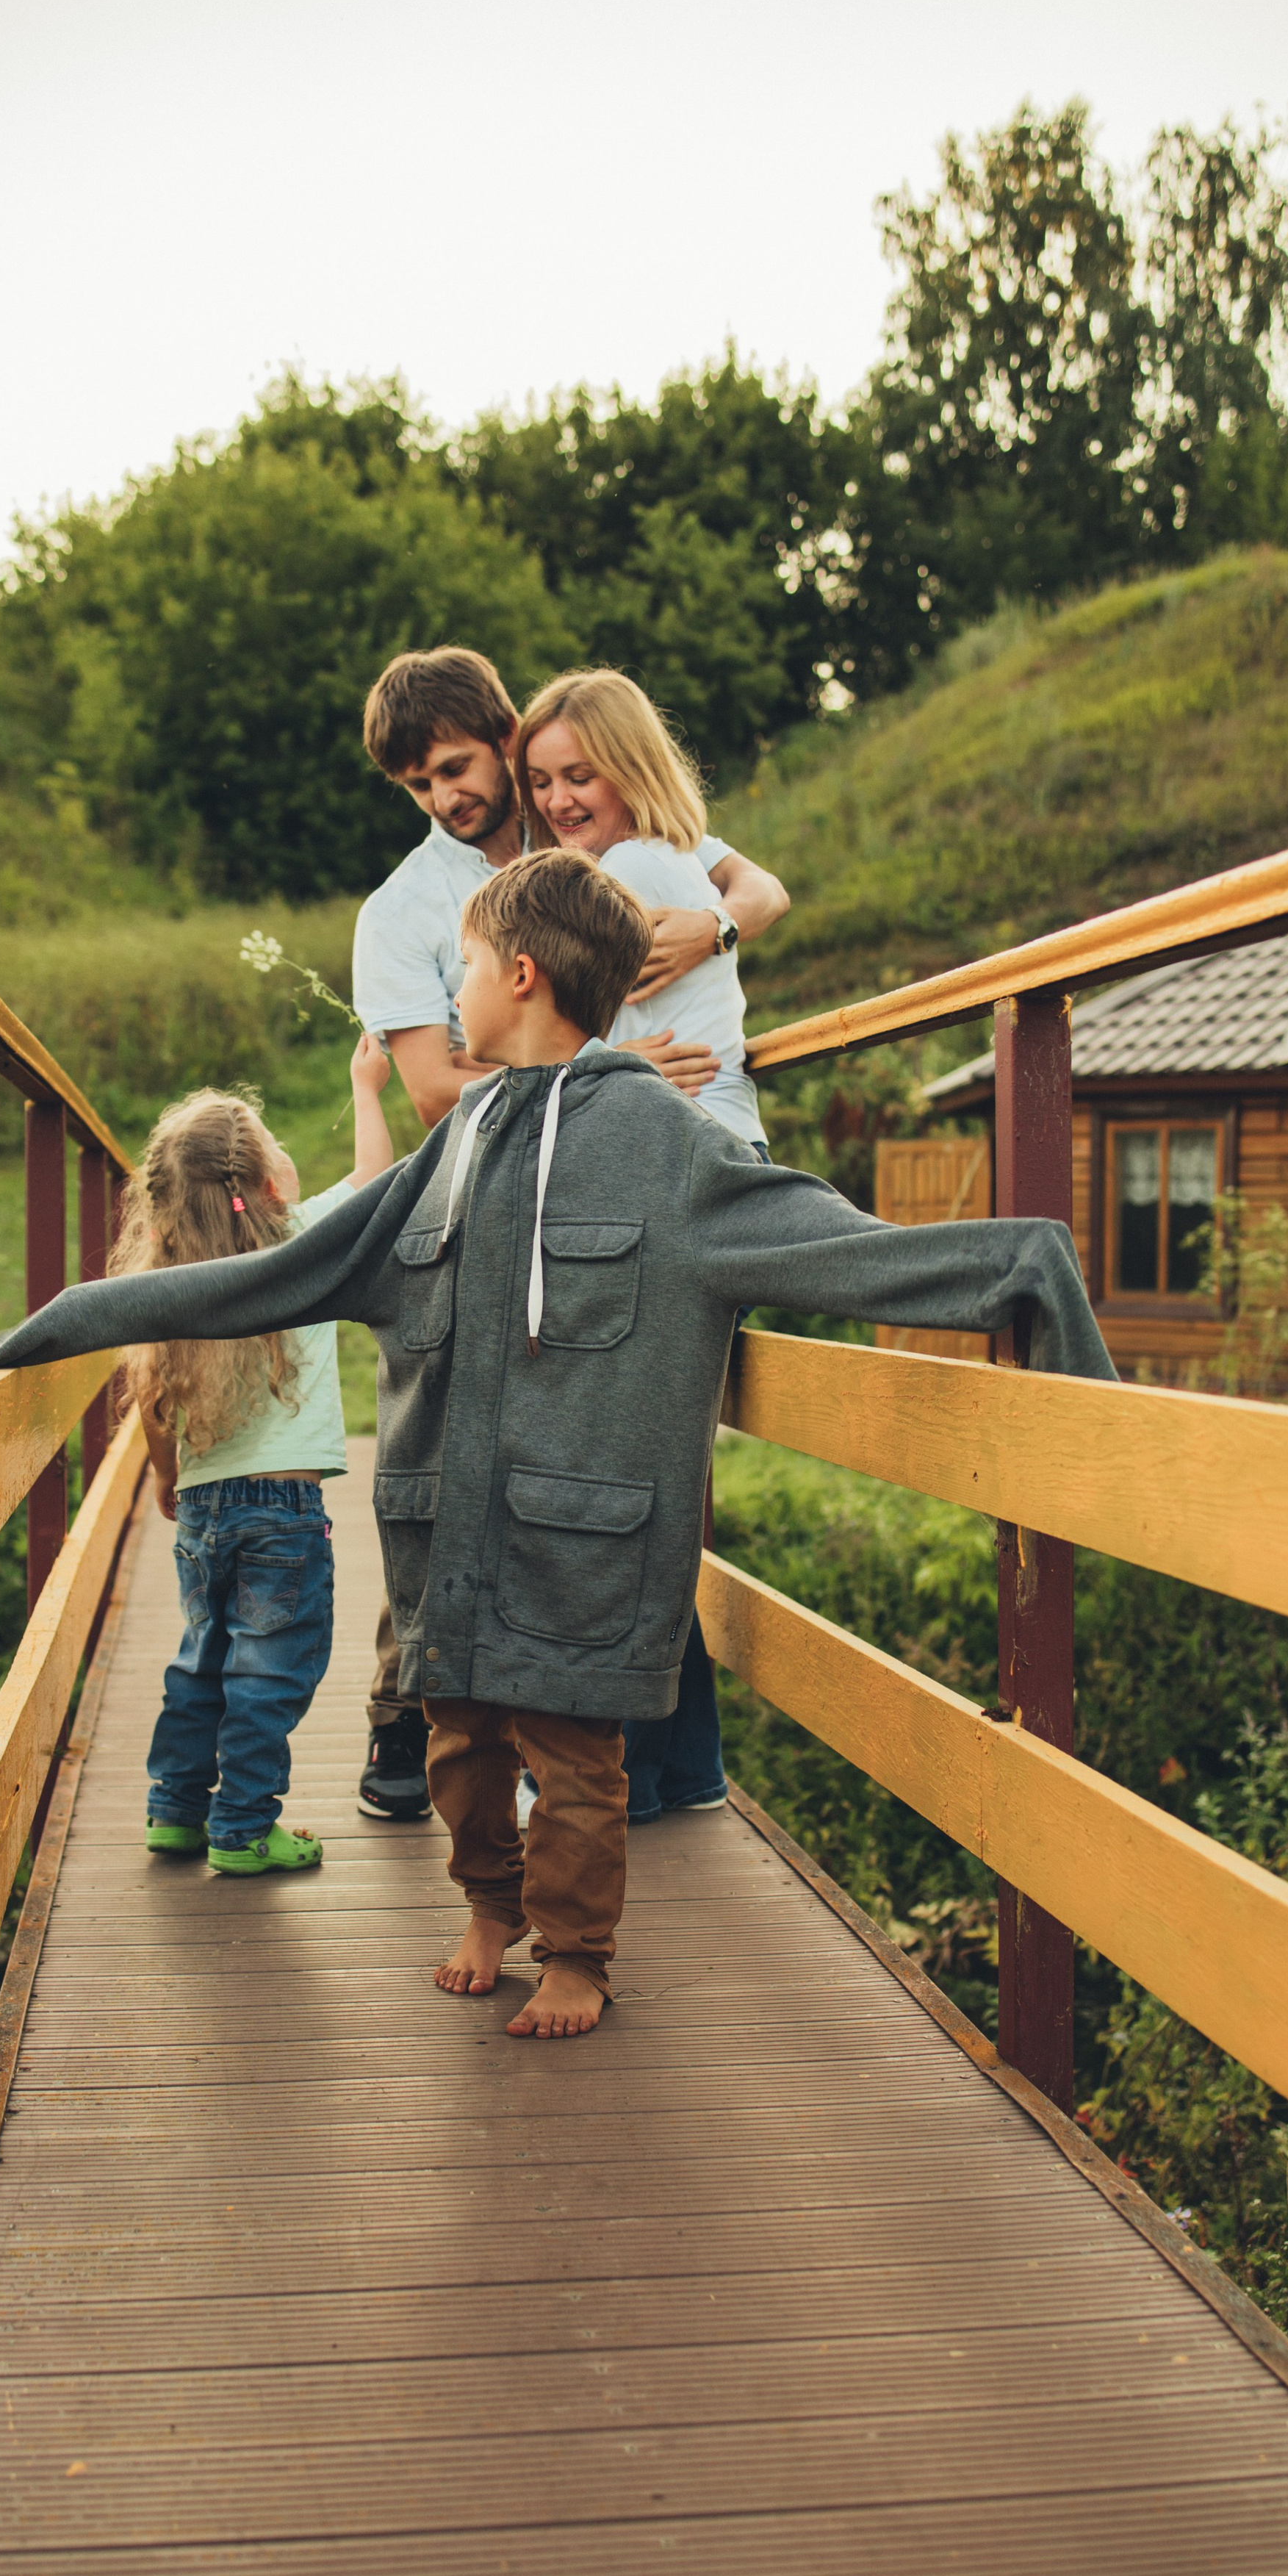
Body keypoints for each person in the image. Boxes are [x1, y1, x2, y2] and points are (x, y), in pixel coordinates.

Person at [0, 850, 1117, 2039]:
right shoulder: (453, 1150)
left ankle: (576, 1954)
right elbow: (262, 1280)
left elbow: (842, 1247)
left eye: (463, 963)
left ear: (519, 975)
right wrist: (53, 1331)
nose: (453, 985)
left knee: (575, 1765)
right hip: (445, 1542)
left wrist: (1027, 1269)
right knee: (458, 1752)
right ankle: (489, 1910)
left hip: (583, 1551)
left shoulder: (666, 1146)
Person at [349, 644, 791, 1823]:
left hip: (622, 1177)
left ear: (506, 736)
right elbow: (439, 1090)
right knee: (493, 1434)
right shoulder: (404, 911)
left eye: (456, 766)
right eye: (417, 785)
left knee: (626, 1446)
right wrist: (612, 1071)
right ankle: (418, 1714)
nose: (447, 797)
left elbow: (752, 887)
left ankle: (646, 1760)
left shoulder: (595, 834)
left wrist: (719, 932)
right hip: (499, 1182)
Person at [515, 667, 763, 1824]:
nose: (562, 798)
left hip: (670, 1175)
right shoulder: (673, 856)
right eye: (544, 782)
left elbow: (555, 1033)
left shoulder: (623, 879)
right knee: (647, 1477)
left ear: (629, 762)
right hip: (697, 1167)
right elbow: (750, 891)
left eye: (581, 773)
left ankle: (612, 1778)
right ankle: (671, 1769)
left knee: (603, 1482)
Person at [122, 1034, 396, 1876]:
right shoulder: (300, 1246)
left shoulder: (165, 1276)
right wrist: (366, 1085)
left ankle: (174, 1811)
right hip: (283, 1513)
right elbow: (378, 1183)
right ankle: (241, 1827)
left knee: (201, 1656)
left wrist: (167, 1479)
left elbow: (151, 1404)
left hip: (203, 1507)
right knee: (270, 1672)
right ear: (270, 1184)